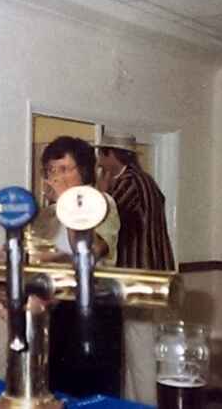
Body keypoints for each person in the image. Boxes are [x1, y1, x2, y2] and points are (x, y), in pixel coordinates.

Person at [31, 136, 122, 398]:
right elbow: (44, 255)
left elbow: (89, 251)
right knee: (54, 388)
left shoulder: (101, 202)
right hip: (54, 307)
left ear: (82, 170)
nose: (56, 177)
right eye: (51, 170)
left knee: (92, 391)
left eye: (63, 169)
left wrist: (69, 203)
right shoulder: (47, 213)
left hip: (94, 307)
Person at [95, 133, 174, 404]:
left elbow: (104, 217)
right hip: (155, 273)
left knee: (140, 349)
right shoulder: (147, 180)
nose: (100, 162)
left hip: (138, 276)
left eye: (102, 155)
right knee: (140, 345)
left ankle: (146, 404)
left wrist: (103, 191)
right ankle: (134, 403)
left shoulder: (128, 182)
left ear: (111, 154)